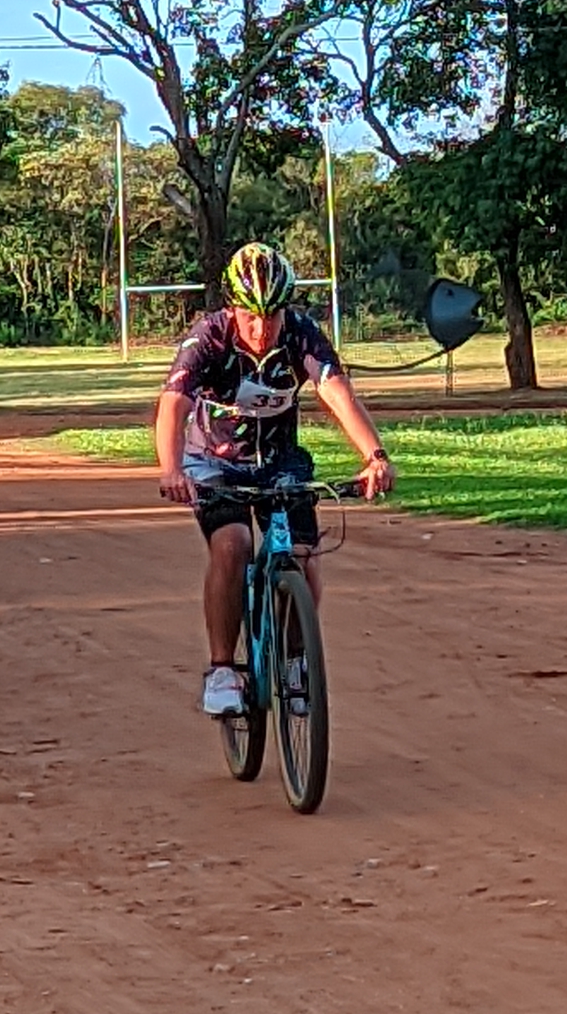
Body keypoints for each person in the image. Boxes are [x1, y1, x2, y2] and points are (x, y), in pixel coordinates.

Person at [154, 242, 394, 720]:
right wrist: (172, 468)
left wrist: (375, 456)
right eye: (250, 317)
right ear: (232, 309)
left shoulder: (302, 336)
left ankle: (294, 662)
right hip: (215, 463)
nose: (261, 329)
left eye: (272, 316)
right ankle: (223, 670)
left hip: (281, 461)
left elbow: (337, 393)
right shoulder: (209, 337)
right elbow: (173, 405)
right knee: (233, 542)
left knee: (302, 555)